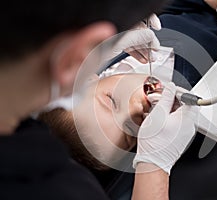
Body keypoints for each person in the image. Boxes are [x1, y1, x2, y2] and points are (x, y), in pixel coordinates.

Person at [0, 1, 199, 200]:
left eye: (112, 101)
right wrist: (155, 164)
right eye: (131, 131)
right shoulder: (61, 189)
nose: (137, 109)